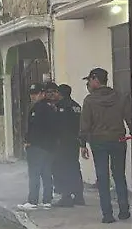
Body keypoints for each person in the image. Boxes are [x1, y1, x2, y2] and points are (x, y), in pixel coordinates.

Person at [80, 67, 131, 223]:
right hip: (118, 140)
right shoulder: (120, 97)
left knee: (102, 177)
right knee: (119, 175)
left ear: (96, 80)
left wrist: (82, 143)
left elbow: (85, 123)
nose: (88, 83)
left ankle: (107, 214)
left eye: (89, 80)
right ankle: (124, 210)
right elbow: (129, 118)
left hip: (98, 142)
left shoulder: (89, 100)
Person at [18, 83, 57, 211]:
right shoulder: (51, 107)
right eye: (31, 93)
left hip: (37, 146)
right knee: (46, 173)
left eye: (35, 93)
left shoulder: (38, 108)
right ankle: (47, 200)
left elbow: (35, 128)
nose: (32, 96)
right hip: (49, 146)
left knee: (34, 173)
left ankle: (33, 200)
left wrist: (29, 141)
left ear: (42, 93)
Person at [52, 84, 87, 207]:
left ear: (60, 93)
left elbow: (57, 125)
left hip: (63, 142)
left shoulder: (60, 106)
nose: (54, 95)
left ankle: (66, 196)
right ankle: (79, 196)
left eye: (55, 92)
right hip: (74, 141)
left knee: (63, 168)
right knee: (74, 166)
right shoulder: (76, 106)